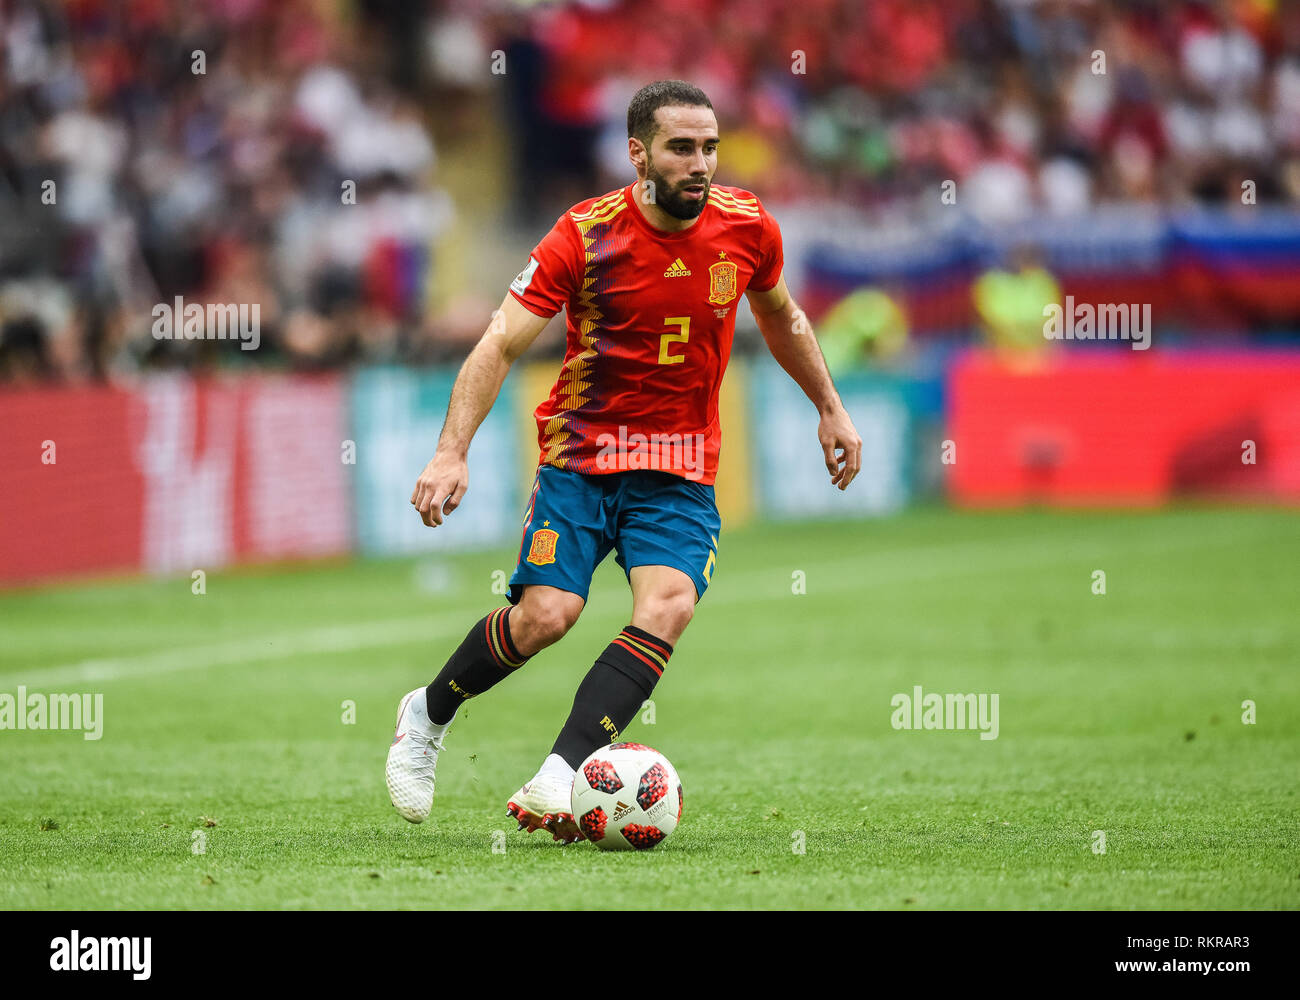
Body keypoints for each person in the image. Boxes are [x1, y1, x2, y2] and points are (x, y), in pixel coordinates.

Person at [386, 80, 862, 842]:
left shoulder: (748, 227)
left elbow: (781, 317)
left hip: (677, 467)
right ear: (638, 153)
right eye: (681, 148)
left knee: (668, 602)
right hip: (581, 460)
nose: (700, 163)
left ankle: (563, 770)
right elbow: (499, 342)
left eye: (709, 146)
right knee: (547, 617)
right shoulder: (584, 233)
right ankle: (427, 712)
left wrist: (830, 406)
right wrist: (451, 451)